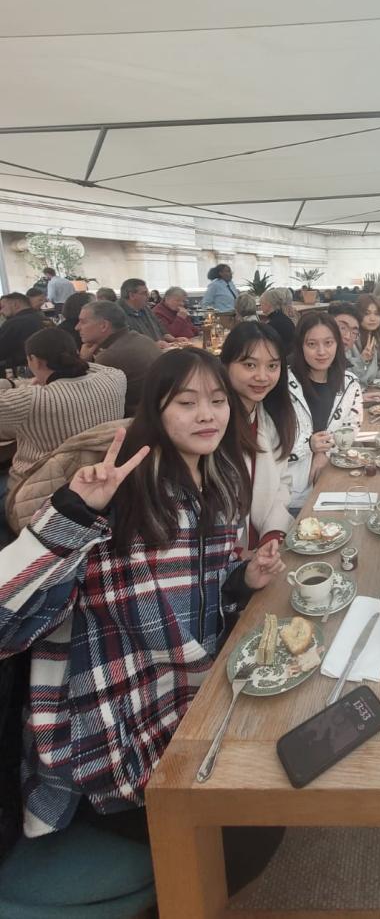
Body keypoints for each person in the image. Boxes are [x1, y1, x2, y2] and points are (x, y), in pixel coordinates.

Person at [0, 349, 284, 892]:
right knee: (247, 834)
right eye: (187, 402)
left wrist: (239, 580)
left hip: (185, 707)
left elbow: (198, 593)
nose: (208, 414)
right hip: (108, 740)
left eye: (218, 401)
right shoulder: (118, 500)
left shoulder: (216, 485)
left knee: (268, 798)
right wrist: (74, 513)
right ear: (155, 410)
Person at [0, 327, 126, 501]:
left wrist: (10, 384)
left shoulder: (29, 400)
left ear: (34, 361)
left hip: (35, 494)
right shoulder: (116, 378)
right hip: (100, 481)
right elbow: (91, 368)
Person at [221, 323, 296, 550]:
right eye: (250, 365)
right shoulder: (213, 426)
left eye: (272, 366)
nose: (262, 376)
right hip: (226, 558)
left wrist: (272, 535)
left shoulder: (269, 417)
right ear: (225, 365)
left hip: (263, 548)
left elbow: (280, 482)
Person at [287, 312, 362, 508]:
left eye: (328, 343)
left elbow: (350, 428)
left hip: (334, 483)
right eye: (312, 344)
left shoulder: (349, 384)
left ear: (337, 344)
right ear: (300, 346)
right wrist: (310, 446)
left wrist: (324, 452)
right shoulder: (284, 385)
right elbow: (270, 444)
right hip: (289, 496)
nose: (321, 352)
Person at [77, 301, 161, 415]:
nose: (77, 327)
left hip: (135, 420)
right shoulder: (142, 339)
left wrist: (83, 362)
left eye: (83, 322)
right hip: (156, 412)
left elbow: (84, 400)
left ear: (104, 326)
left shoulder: (110, 355)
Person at [349, 294, 380, 387]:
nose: (372, 318)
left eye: (377, 314)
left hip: (372, 390)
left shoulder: (376, 336)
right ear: (357, 315)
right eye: (367, 313)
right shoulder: (349, 340)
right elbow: (347, 377)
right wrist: (362, 360)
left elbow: (374, 370)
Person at [0, 294, 47, 370]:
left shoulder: (13, 323)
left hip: (20, 370)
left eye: (2, 307)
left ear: (15, 304)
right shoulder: (46, 320)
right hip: (48, 368)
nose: (1, 311)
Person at [259, 288, 296, 355]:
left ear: (268, 304)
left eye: (261, 304)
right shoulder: (284, 318)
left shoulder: (272, 324)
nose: (260, 307)